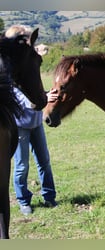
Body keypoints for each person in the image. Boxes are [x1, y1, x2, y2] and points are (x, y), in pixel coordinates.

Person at [5, 25, 59, 215]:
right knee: (22, 166)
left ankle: (49, 196)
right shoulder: (8, 68)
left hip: (36, 121)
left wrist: (45, 95)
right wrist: (40, 99)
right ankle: (23, 201)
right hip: (20, 124)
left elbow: (33, 88)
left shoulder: (27, 62)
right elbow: (16, 94)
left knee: (44, 161)